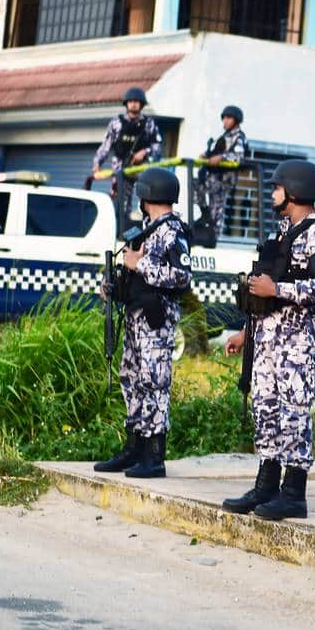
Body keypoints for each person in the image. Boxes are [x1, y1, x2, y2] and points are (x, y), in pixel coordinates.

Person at [222, 159, 315, 520]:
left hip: (297, 339)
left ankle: (294, 492)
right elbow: (264, 288)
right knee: (266, 409)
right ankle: (266, 484)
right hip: (267, 336)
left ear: (295, 191)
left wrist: (280, 288)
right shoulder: (282, 230)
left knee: (294, 410)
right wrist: (247, 331)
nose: (272, 194)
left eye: (277, 188)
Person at [94, 167, 192, 479]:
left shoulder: (173, 232)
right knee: (131, 378)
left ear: (148, 195)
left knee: (154, 382)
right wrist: (114, 284)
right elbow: (133, 271)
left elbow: (182, 277)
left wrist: (141, 264)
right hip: (135, 318)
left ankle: (154, 455)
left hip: (155, 321)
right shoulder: (148, 229)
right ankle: (134, 446)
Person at [92, 86, 163, 227]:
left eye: (137, 101)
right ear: (126, 103)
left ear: (142, 104)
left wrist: (144, 152)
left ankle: (147, 228)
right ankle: (120, 231)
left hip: (141, 169)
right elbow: (106, 145)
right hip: (121, 167)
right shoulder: (116, 122)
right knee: (120, 203)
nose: (134, 104)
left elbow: (158, 146)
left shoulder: (149, 124)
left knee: (147, 200)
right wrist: (97, 163)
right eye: (131, 101)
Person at [196, 105, 248, 237]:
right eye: (224, 118)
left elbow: (239, 157)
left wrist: (222, 157)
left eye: (228, 118)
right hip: (211, 177)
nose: (225, 121)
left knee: (216, 210)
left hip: (223, 179)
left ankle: (213, 235)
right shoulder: (223, 137)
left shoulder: (239, 137)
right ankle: (205, 218)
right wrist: (206, 155)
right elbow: (214, 152)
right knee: (198, 190)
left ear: (236, 120)